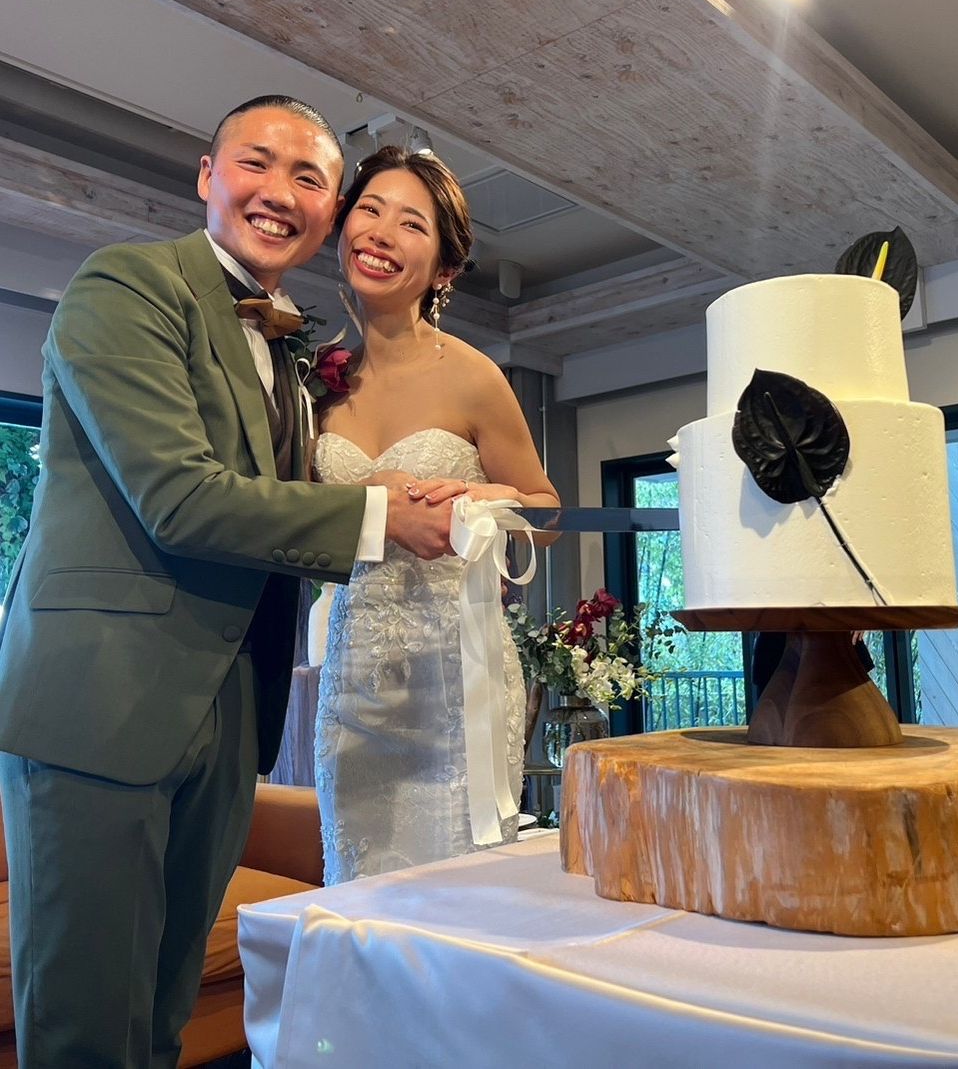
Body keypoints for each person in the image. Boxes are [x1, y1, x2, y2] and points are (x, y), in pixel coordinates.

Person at [0, 96, 456, 1067]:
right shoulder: (127, 283)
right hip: (100, 704)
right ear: (208, 174)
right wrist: (380, 516)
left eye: (309, 177)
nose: (280, 191)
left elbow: (274, 501)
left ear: (327, 215)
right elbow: (179, 496)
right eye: (258, 162)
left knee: (160, 1021)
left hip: (231, 708)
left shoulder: (290, 352)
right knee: (85, 1033)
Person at [313, 145, 559, 883]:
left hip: (454, 678)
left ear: (445, 269)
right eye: (369, 209)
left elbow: (545, 510)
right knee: (355, 889)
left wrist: (479, 500)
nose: (381, 232)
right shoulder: (318, 380)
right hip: (353, 680)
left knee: (456, 892)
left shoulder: (473, 375)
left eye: (411, 223)